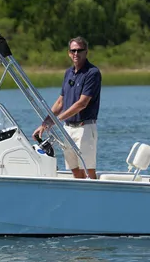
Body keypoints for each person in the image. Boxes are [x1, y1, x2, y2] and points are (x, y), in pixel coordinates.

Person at [33, 36, 101, 179]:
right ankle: (78, 199)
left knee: (88, 170)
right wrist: (45, 123)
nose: (76, 54)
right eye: (73, 51)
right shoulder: (68, 73)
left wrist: (57, 120)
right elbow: (60, 102)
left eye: (79, 50)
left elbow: (82, 103)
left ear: (86, 51)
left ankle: (93, 198)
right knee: (74, 169)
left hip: (85, 128)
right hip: (68, 128)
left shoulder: (92, 73)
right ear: (69, 53)